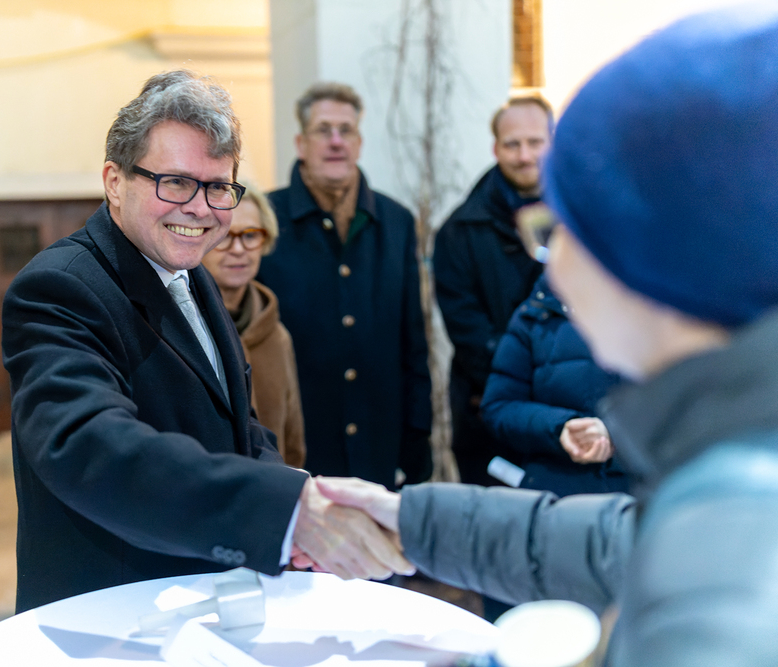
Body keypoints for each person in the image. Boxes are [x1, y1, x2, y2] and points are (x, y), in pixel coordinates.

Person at [315, 4, 778, 662]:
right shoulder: (724, 482)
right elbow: (617, 543)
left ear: (646, 257)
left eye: (559, 229)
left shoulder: (730, 591)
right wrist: (412, 519)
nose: (551, 262)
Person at [1, 71, 413, 613]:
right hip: (114, 610)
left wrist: (302, 495)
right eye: (175, 182)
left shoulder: (191, 273)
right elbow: (91, 449)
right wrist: (286, 512)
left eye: (218, 187)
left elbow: (235, 423)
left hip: (202, 595)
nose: (200, 208)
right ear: (114, 181)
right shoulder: (59, 287)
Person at [257, 82, 432, 490]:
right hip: (298, 450)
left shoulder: (396, 221)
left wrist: (417, 440)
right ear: (301, 143)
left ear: (359, 142)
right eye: (323, 130)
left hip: (379, 445)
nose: (336, 141)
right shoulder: (266, 220)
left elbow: (413, 342)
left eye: (346, 130)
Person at [433, 95, 552, 487]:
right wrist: (532, 384)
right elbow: (468, 332)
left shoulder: (583, 220)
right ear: (495, 148)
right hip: (489, 418)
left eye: (535, 142)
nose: (524, 155)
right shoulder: (459, 231)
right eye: (512, 144)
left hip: (572, 416)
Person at [480, 274, 628, 497]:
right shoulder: (535, 312)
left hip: (641, 491)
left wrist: (616, 432)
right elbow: (498, 406)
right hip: (554, 491)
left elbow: (677, 401)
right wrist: (561, 427)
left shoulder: (655, 306)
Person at [200, 185, 306, 468]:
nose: (239, 250)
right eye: (224, 236)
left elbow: (293, 443)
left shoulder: (277, 336)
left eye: (250, 236)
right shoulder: (180, 330)